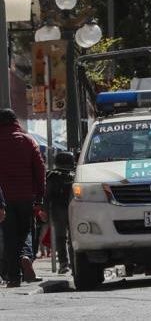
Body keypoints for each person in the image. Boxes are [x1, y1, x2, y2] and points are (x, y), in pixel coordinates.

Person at [0, 109, 46, 288]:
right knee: (26, 231)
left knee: (9, 235)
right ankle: (26, 256)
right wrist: (40, 196)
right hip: (26, 196)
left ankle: (13, 277)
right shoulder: (27, 140)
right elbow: (40, 169)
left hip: (4, 199)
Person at [46, 152, 76, 274]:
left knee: (60, 237)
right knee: (73, 238)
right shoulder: (75, 175)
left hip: (57, 209)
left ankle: (63, 264)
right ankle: (75, 264)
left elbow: (47, 195)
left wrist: (44, 209)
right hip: (73, 208)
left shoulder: (52, 176)